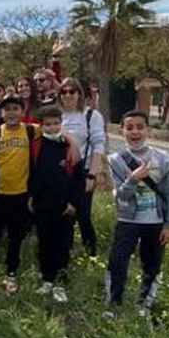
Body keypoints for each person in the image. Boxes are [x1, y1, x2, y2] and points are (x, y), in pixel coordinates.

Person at [105, 112, 169, 316]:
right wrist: (133, 179)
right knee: (117, 261)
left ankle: (144, 306)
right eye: (129, 127)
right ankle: (113, 304)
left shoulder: (163, 160)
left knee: (152, 264)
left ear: (148, 130)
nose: (135, 132)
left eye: (140, 127)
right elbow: (121, 195)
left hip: (156, 222)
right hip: (127, 220)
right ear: (122, 131)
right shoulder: (116, 160)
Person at [0, 95, 36, 295]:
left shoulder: (30, 131)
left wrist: (71, 142)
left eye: (15, 108)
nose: (11, 112)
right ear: (1, 113)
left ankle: (11, 275)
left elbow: (54, 129)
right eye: (7, 109)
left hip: (20, 195)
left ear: (22, 112)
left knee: (15, 239)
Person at [29, 105, 80, 303]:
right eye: (48, 124)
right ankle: (47, 280)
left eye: (56, 123)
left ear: (62, 124)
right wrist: (32, 196)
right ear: (41, 126)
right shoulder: (36, 145)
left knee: (62, 245)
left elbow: (77, 177)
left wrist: (73, 202)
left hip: (64, 207)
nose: (52, 128)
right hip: (42, 204)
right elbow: (33, 174)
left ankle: (60, 283)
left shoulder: (69, 146)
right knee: (44, 243)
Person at [56, 78, 107, 256]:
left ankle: (91, 253)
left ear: (79, 94)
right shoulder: (57, 116)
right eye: (64, 92)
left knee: (83, 215)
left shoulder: (91, 116)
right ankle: (65, 254)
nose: (68, 95)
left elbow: (98, 146)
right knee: (64, 215)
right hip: (61, 173)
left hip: (82, 171)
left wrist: (92, 175)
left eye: (72, 91)